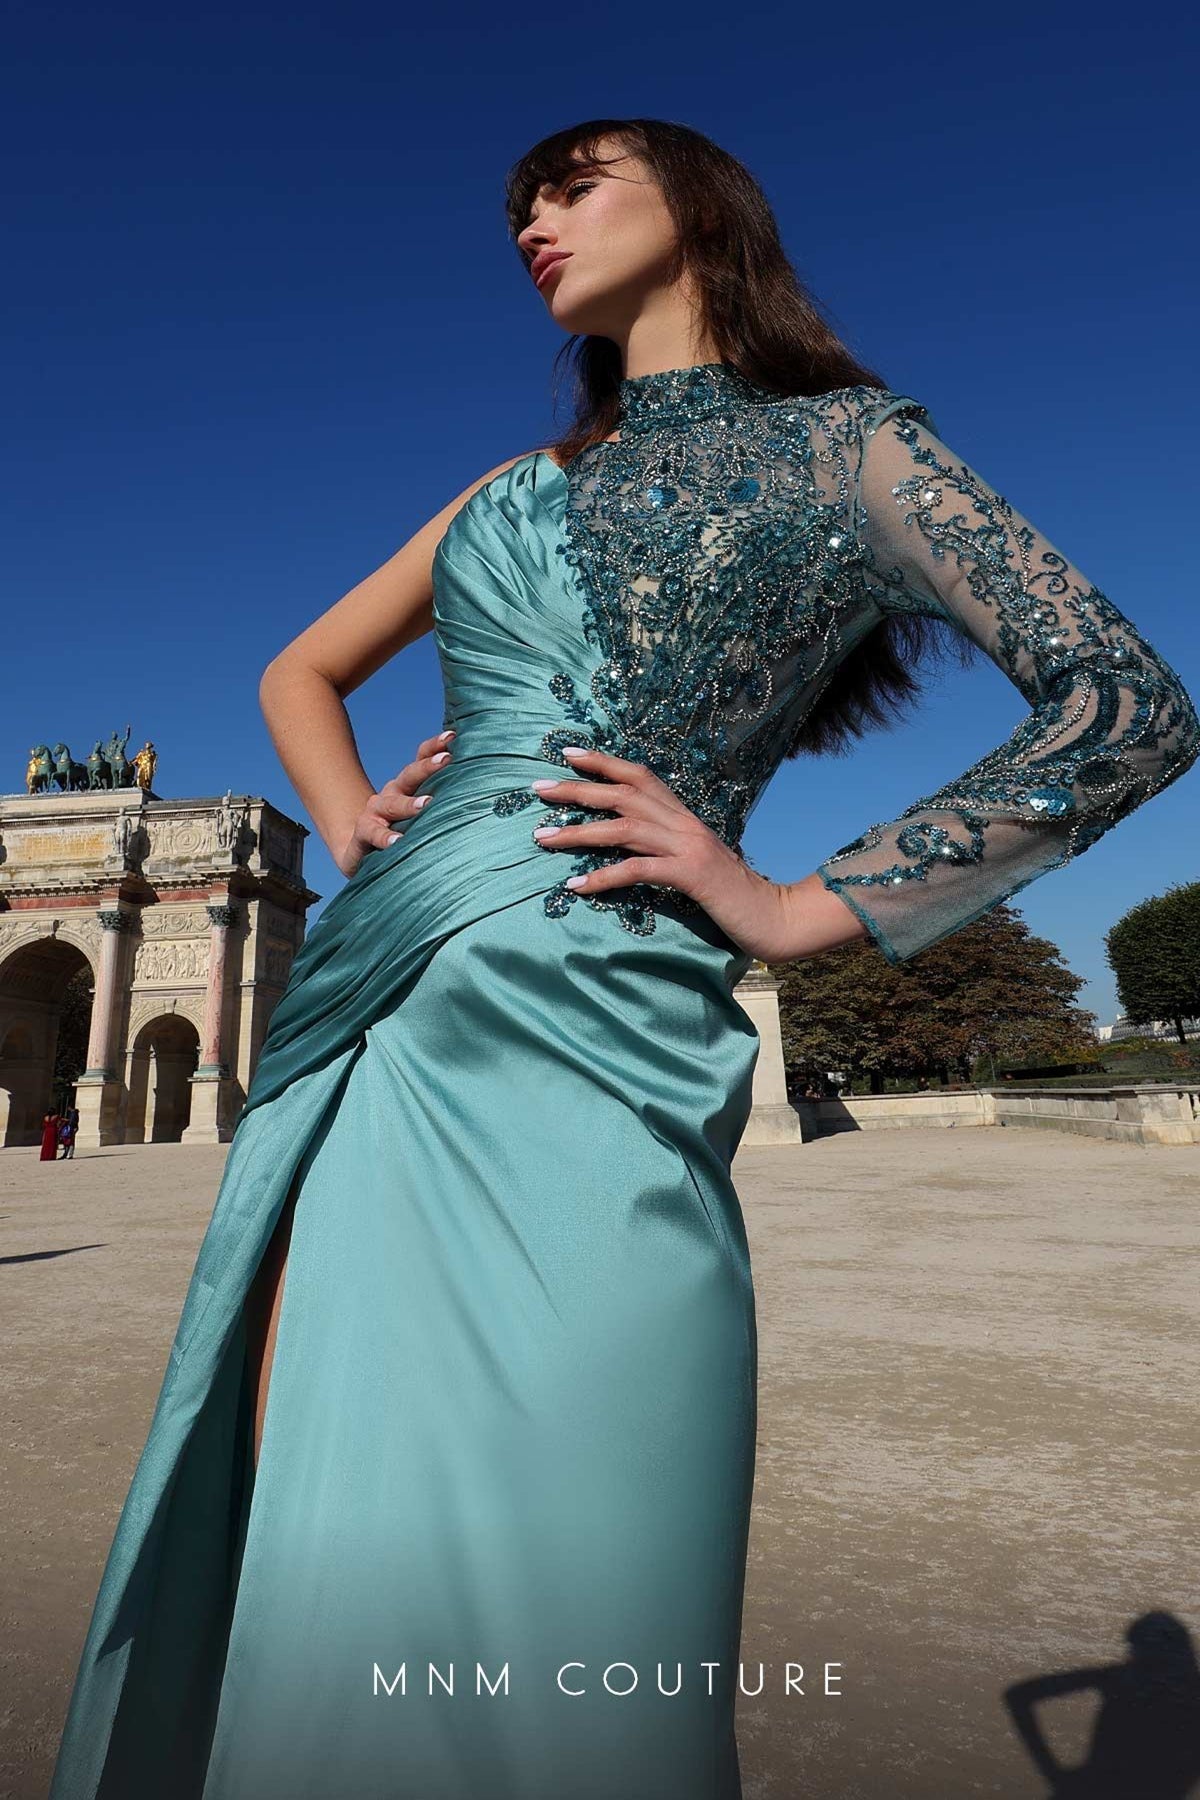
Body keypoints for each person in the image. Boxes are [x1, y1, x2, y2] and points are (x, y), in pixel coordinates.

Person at [48, 118, 1200, 1800]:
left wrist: (796, 906)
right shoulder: (508, 488)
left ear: (705, 207)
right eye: (520, 201)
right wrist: (360, 821)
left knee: (594, 1569)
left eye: (574, 182)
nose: (534, 218)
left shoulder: (853, 451)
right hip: (390, 1028)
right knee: (335, 1519)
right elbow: (299, 671)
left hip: (611, 1021)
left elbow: (1127, 704)